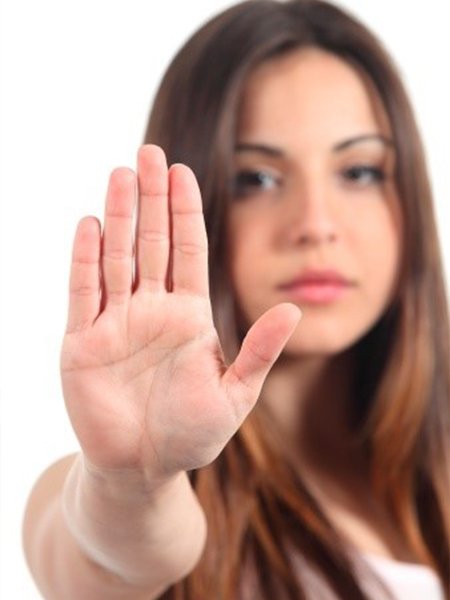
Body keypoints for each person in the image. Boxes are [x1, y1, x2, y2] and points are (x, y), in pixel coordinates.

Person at [22, 0, 449, 598]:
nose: (316, 225)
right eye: (257, 179)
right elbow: (109, 558)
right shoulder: (126, 483)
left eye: (358, 172)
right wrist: (135, 481)